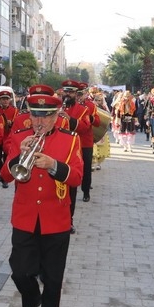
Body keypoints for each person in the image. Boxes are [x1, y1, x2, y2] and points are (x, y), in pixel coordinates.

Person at [0, 93, 83, 307]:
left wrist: (53, 165)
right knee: (20, 270)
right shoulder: (18, 137)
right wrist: (18, 155)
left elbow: (77, 176)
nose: (39, 120)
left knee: (54, 278)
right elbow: (5, 176)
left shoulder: (70, 140)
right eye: (35, 114)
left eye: (45, 115)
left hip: (56, 219)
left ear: (56, 116)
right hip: (24, 217)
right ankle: (31, 301)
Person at [59, 80, 91, 233]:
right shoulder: (55, 107)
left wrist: (68, 119)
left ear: (75, 94)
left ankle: (68, 220)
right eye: (66, 91)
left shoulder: (83, 109)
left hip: (73, 150)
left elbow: (85, 128)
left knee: (71, 187)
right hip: (57, 150)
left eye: (71, 92)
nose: (67, 94)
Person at [76, 82, 99, 203]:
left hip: (85, 141)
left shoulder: (90, 105)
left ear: (86, 93)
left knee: (86, 167)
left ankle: (86, 191)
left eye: (82, 93)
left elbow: (98, 122)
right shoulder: (68, 106)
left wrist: (90, 118)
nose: (80, 96)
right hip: (72, 141)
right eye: (78, 93)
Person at [0, 90, 18, 189]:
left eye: (7, 99)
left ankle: (4, 179)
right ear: (0, 100)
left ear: (10, 100)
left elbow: (17, 124)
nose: (5, 101)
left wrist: (11, 123)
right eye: (3, 99)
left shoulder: (15, 110)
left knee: (6, 159)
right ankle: (2, 173)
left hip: (9, 138)